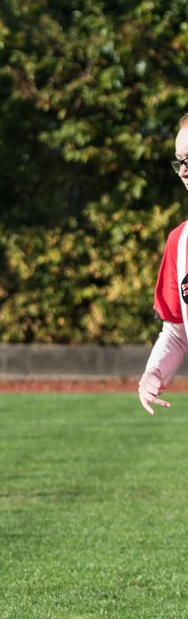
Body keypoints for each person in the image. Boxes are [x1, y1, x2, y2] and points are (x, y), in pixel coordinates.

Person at [138, 111, 188, 415]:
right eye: (180, 161)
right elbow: (176, 333)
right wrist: (153, 372)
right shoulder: (179, 243)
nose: (184, 171)